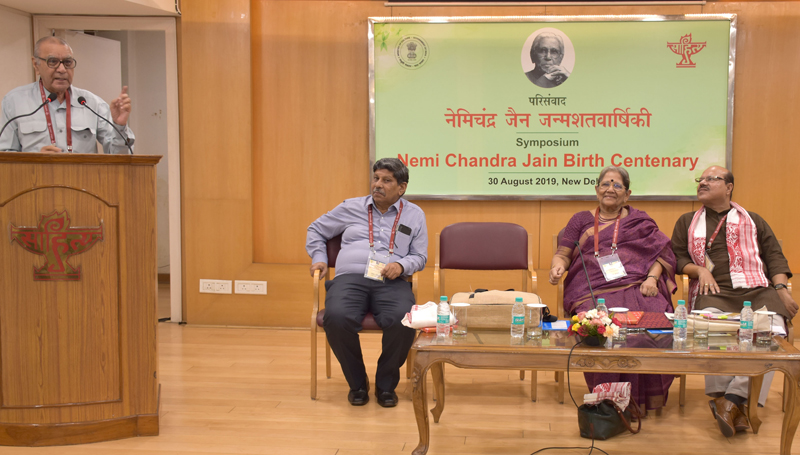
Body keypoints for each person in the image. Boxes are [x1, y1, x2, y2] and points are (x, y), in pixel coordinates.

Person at [671, 165, 796, 437]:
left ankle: (732, 399)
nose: (702, 183)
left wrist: (781, 289)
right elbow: (678, 258)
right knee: (710, 331)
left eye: (711, 179)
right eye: (700, 179)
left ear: (729, 187)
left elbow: (774, 256)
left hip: (758, 291)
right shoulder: (687, 221)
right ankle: (732, 402)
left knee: (771, 335)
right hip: (713, 291)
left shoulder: (754, 220)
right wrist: (700, 270)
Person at [549, 166, 677, 413]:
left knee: (657, 320)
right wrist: (557, 267)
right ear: (597, 189)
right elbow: (563, 254)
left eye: (617, 185)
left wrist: (652, 279)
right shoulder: (580, 220)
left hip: (639, 286)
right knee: (598, 325)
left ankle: (641, 400)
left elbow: (663, 252)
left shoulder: (640, 221)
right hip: (592, 289)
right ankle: (607, 401)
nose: (610, 189)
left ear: (627, 194)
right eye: (605, 184)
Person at [306, 158, 428, 407]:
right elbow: (316, 229)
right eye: (376, 178)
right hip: (350, 278)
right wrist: (319, 258)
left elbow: (420, 256)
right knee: (336, 317)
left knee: (403, 319)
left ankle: (386, 385)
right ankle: (358, 383)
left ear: (401, 188)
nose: (378, 184)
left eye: (386, 180)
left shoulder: (414, 215)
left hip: (392, 279)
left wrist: (401, 265)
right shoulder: (351, 207)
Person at [0, 36, 134, 154]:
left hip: (82, 176)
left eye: (67, 62)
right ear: (36, 65)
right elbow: (5, 157)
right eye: (52, 62)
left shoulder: (92, 104)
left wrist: (119, 126)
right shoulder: (14, 102)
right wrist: (34, 160)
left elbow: (120, 157)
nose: (62, 69)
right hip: (35, 175)